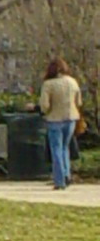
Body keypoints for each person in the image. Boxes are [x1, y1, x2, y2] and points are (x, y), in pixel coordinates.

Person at [39, 57, 82, 190]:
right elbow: (79, 102)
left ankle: (59, 180)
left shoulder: (48, 84)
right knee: (65, 148)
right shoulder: (73, 82)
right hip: (71, 118)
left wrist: (44, 112)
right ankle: (67, 174)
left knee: (56, 149)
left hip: (54, 119)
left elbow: (44, 105)